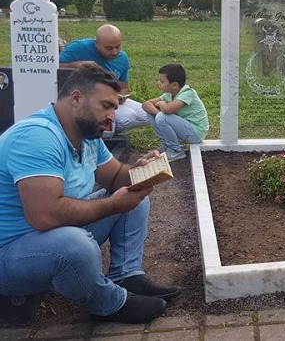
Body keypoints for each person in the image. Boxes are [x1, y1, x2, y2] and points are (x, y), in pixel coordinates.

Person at [0, 65, 181, 325]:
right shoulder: (37, 138)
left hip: (45, 239)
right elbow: (45, 216)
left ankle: (126, 275)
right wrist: (113, 205)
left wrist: (142, 171)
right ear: (76, 98)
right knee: (74, 246)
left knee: (135, 198)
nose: (112, 117)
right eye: (106, 106)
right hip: (10, 253)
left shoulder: (86, 135)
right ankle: (109, 303)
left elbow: (116, 177)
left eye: (114, 108)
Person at [59, 24, 150, 134]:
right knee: (129, 116)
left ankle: (103, 129)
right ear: (96, 44)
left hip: (111, 99)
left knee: (148, 114)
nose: (114, 52)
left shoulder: (122, 58)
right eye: (109, 48)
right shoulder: (78, 47)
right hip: (87, 100)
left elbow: (124, 87)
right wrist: (78, 65)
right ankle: (97, 132)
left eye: (118, 47)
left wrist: (122, 96)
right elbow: (54, 66)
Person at [142, 64, 209, 162]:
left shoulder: (188, 93)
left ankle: (175, 150)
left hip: (196, 132)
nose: (159, 83)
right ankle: (166, 144)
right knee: (152, 113)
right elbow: (146, 104)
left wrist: (161, 105)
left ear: (174, 85)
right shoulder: (169, 95)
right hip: (186, 128)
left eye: (162, 81)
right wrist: (157, 113)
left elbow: (167, 109)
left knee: (161, 117)